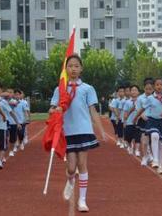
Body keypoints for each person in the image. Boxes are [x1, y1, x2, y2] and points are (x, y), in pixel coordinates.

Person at [49, 54, 106, 212]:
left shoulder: (87, 88)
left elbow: (92, 110)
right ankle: (70, 180)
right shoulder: (60, 89)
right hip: (67, 131)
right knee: (72, 168)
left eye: (76, 66)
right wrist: (55, 110)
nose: (73, 69)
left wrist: (101, 130)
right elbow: (51, 109)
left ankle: (82, 199)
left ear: (81, 69)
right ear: (65, 69)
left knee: (82, 165)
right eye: (70, 66)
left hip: (84, 130)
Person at [136, 78, 162, 174]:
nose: (159, 86)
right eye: (157, 85)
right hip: (152, 120)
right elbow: (142, 108)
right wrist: (136, 117)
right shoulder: (150, 98)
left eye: (161, 84)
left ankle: (160, 165)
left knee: (161, 144)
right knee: (154, 136)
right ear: (154, 87)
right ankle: (155, 160)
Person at [0, 81, 18, 169]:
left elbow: (11, 112)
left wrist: (17, 122)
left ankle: (0, 161)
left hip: (2, 127)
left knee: (2, 145)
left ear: (1, 90)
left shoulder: (3, 102)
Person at [135, 79, 154, 166]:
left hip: (154, 120)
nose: (148, 91)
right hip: (144, 120)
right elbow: (138, 109)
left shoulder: (155, 97)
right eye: (147, 89)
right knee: (144, 140)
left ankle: (152, 155)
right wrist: (143, 116)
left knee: (153, 139)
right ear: (144, 88)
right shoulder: (140, 98)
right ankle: (145, 156)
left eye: (150, 89)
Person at [123, 85, 141, 156]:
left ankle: (137, 150)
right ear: (130, 92)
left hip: (138, 122)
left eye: (135, 90)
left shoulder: (140, 101)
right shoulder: (127, 102)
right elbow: (125, 112)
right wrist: (124, 121)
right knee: (128, 137)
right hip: (129, 122)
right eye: (132, 90)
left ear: (138, 92)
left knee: (137, 136)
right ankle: (130, 147)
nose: (134, 91)